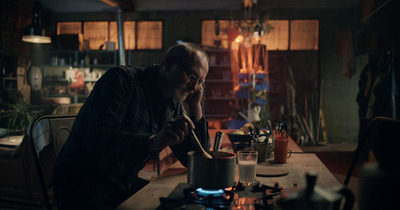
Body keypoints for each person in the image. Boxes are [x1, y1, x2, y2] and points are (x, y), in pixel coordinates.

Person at [52, 42, 210, 209]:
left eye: (200, 82)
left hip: (122, 184)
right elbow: (98, 142)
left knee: (185, 204)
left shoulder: (173, 103)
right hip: (82, 185)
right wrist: (154, 141)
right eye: (192, 76)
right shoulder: (121, 80)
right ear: (169, 63)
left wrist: (196, 107)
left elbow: (196, 159)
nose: (194, 87)